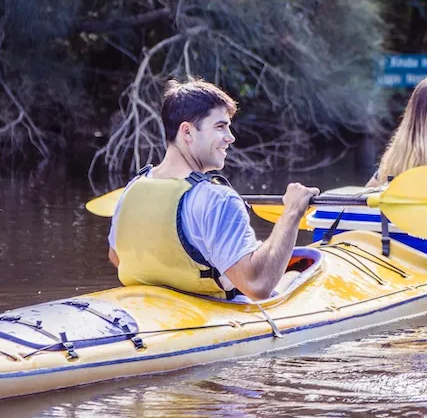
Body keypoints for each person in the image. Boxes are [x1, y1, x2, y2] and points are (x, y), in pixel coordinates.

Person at [107, 78, 318, 301]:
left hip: (151, 308)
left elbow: (116, 256)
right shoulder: (218, 199)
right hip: (210, 312)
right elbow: (257, 286)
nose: (230, 137)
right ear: (187, 132)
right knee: (296, 274)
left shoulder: (133, 188)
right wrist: (292, 212)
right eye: (220, 127)